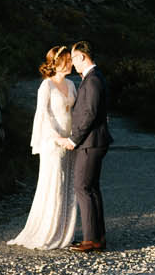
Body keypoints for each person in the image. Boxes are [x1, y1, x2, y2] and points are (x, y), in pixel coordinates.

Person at [7, 46, 79, 249]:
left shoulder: (72, 85)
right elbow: (43, 116)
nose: (71, 64)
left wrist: (74, 138)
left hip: (70, 142)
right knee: (54, 184)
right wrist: (58, 138)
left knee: (69, 185)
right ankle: (47, 231)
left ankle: (65, 232)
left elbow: (74, 113)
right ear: (56, 63)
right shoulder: (46, 87)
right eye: (67, 60)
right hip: (52, 142)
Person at [57, 40, 112, 252]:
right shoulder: (95, 77)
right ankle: (98, 237)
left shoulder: (92, 80)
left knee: (83, 187)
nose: (72, 63)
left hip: (90, 143)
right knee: (92, 189)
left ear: (82, 57)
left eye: (73, 58)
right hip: (95, 142)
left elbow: (88, 114)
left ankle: (91, 239)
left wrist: (73, 140)